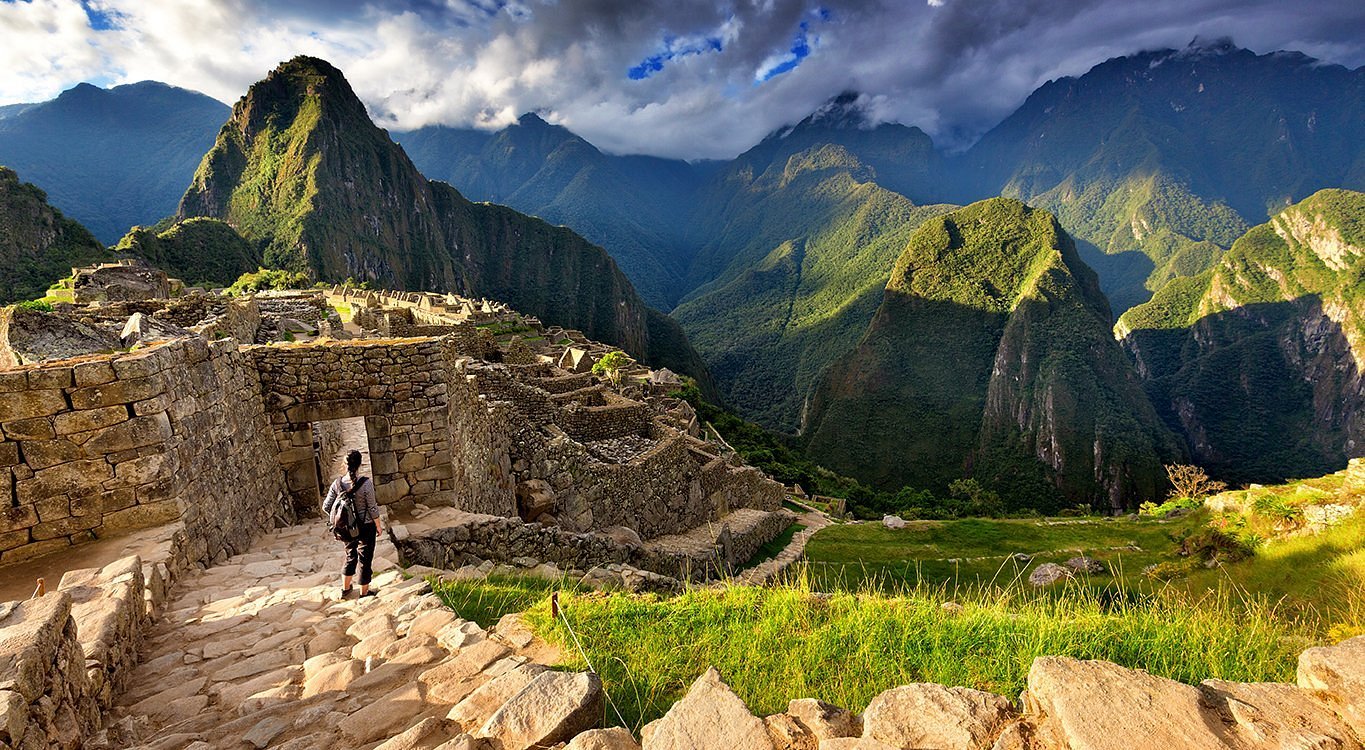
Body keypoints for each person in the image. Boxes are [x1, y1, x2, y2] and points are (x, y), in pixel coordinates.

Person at [323, 449, 383, 599]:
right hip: (366, 526)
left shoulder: (337, 484)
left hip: (346, 528)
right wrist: (378, 525)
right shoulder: (366, 483)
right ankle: (364, 592)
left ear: (345, 464)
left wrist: (338, 518)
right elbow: (372, 507)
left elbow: (326, 506)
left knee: (350, 555)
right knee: (365, 558)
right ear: (360, 464)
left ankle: (345, 589)